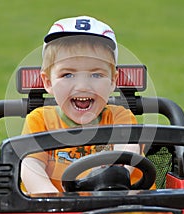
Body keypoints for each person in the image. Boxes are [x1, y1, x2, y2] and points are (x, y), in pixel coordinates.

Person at [20, 15, 144, 194]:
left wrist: (115, 175)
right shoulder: (40, 121)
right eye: (68, 75)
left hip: (115, 205)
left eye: (96, 75)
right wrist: (51, 199)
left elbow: (128, 148)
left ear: (112, 81)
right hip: (59, 209)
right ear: (48, 82)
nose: (83, 86)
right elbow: (31, 165)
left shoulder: (119, 117)